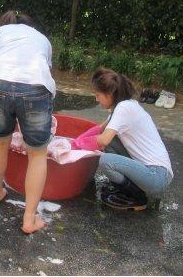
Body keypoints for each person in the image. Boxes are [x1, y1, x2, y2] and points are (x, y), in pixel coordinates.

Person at [0, 10, 55, 234]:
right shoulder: (42, 39)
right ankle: (29, 218)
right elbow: (45, 72)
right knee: (37, 153)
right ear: (30, 25)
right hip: (35, 87)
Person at [72, 68, 173, 210]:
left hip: (157, 176)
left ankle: (138, 198)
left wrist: (79, 145)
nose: (96, 99)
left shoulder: (124, 108)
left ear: (109, 94)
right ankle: (132, 188)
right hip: (151, 171)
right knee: (112, 141)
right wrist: (75, 142)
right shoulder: (124, 105)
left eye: (98, 95)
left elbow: (103, 140)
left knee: (106, 161)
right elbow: (100, 129)